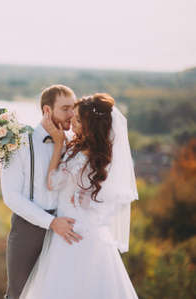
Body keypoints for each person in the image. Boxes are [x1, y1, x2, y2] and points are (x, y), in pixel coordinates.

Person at [20, 93, 139, 299]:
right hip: (86, 228)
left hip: (72, 232)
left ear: (89, 124)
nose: (71, 122)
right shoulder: (95, 152)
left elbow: (52, 183)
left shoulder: (84, 155)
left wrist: (58, 144)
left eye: (77, 119)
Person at [0, 85, 83, 299]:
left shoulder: (72, 144)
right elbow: (11, 196)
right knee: (19, 294)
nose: (72, 114)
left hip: (66, 230)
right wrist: (51, 222)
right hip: (29, 230)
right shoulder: (20, 144)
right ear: (47, 110)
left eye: (73, 108)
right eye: (65, 108)